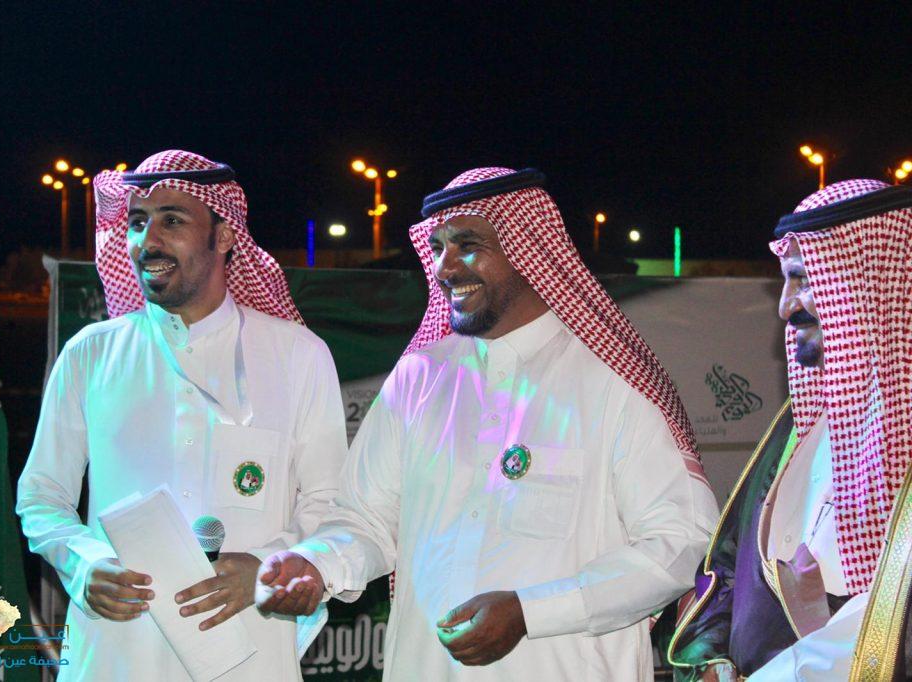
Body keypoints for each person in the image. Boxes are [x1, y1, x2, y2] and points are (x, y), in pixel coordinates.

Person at [255, 167, 719, 680]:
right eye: (437, 248)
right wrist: (318, 563)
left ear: (530, 248)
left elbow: (680, 543)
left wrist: (531, 612)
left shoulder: (613, 381)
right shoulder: (418, 377)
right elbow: (366, 519)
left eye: (468, 245)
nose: (444, 267)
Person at [16, 150, 348, 681]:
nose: (147, 241)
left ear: (225, 235)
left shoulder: (297, 355)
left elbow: (330, 503)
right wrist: (83, 564)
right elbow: (41, 495)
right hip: (117, 655)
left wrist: (265, 567)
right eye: (137, 222)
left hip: (250, 654)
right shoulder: (91, 353)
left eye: (172, 221)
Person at [669, 179, 912, 680]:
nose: (785, 306)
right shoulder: (801, 421)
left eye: (803, 279)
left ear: (868, 281)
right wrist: (714, 656)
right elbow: (733, 561)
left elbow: (891, 627)